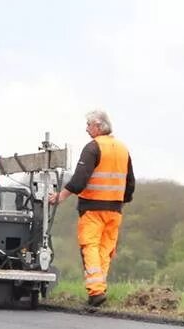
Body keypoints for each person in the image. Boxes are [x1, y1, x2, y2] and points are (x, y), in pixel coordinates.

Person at [48, 109, 135, 308]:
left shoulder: (93, 148)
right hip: (115, 210)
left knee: (91, 246)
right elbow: (130, 183)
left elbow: (79, 180)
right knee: (105, 250)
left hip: (93, 209)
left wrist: (61, 196)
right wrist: (121, 201)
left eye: (88, 125)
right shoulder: (123, 149)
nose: (86, 129)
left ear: (98, 126)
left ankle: (96, 292)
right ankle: (99, 289)